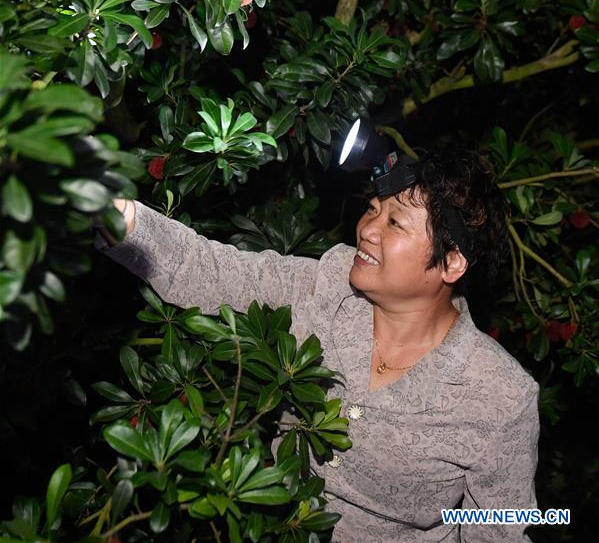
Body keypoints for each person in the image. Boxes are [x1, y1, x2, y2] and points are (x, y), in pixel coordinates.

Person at [96, 148, 539, 541]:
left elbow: (501, 529)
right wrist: (120, 216)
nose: (367, 228)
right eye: (372, 209)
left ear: (451, 262)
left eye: (395, 222)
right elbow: (209, 270)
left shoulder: (500, 398)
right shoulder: (326, 286)